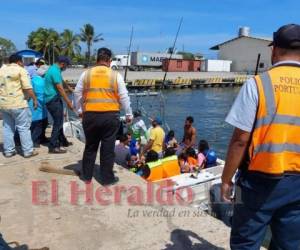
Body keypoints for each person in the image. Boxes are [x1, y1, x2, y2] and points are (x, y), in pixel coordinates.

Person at [221, 24, 300, 250]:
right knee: (290, 244)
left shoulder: (258, 84)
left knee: (245, 241)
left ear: (274, 50)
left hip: (259, 180)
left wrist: (226, 179)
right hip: (298, 183)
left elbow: (240, 140)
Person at [74, 47, 133, 185]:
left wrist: (79, 111)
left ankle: (86, 177)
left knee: (90, 146)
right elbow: (124, 96)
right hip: (110, 117)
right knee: (107, 148)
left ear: (97, 60)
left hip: (90, 116)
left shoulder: (86, 74)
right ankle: (107, 179)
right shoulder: (115, 75)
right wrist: (128, 113)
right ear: (109, 60)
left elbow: (77, 93)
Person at [0, 54, 38, 158]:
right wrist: (34, 99)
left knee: (7, 128)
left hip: (4, 104)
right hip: (18, 103)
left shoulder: (1, 70)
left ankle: (8, 151)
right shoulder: (21, 70)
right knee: (23, 128)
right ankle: (28, 151)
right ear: (19, 62)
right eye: (22, 62)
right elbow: (27, 87)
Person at [44, 56, 73, 154]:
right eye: (67, 65)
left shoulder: (54, 69)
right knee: (58, 123)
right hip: (52, 99)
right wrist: (69, 102)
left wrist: (69, 88)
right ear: (63, 64)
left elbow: (62, 81)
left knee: (59, 121)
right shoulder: (55, 71)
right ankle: (53, 146)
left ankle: (63, 141)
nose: (66, 68)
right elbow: (60, 88)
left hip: (52, 98)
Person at [28, 65, 49, 148]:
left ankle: (42, 138)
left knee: (42, 122)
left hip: (37, 104)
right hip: (38, 104)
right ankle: (35, 141)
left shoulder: (33, 79)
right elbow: (41, 94)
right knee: (39, 124)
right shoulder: (41, 81)